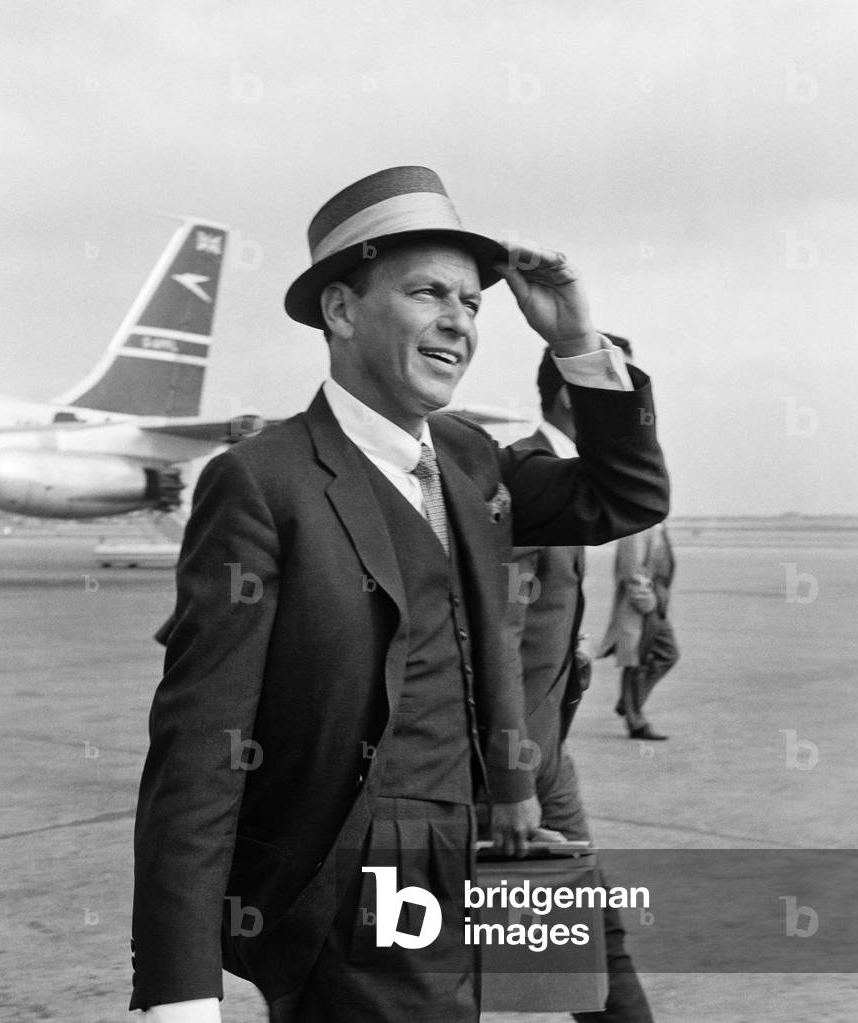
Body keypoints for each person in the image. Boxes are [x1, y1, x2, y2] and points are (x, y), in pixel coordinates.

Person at [129, 165, 669, 1022]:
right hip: (351, 877)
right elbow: (200, 744)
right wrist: (181, 989)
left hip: (471, 843)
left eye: (472, 302)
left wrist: (574, 336)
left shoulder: (467, 458)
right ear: (342, 311)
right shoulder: (262, 482)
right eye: (427, 293)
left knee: (579, 972)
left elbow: (625, 496)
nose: (459, 320)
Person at [503, 340, 655, 1021]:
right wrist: (508, 781)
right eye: (616, 387)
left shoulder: (563, 476)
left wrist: (571, 654)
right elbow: (495, 640)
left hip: (545, 753)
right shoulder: (524, 477)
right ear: (573, 394)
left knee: (590, 939)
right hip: (504, 764)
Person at [599, 520, 678, 740]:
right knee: (635, 661)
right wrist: (647, 604)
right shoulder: (636, 527)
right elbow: (632, 571)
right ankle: (636, 722)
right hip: (642, 606)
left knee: (668, 654)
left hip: (656, 605)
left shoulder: (656, 524)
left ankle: (629, 702)